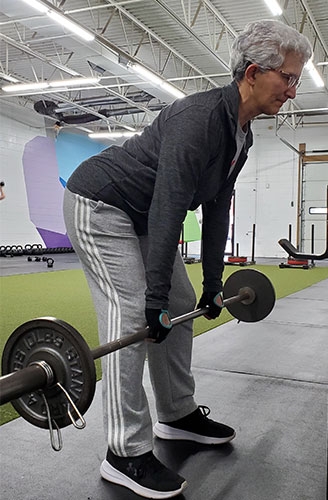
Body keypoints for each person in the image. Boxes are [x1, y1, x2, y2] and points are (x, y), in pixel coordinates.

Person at [63, 19, 312, 499]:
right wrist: (153, 297)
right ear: (255, 72)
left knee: (178, 305)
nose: (293, 91)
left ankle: (176, 414)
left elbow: (218, 208)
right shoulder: (197, 119)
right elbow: (168, 208)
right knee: (133, 314)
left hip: (141, 214)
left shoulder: (241, 134)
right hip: (101, 204)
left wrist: (213, 282)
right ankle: (124, 452)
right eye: (289, 79)